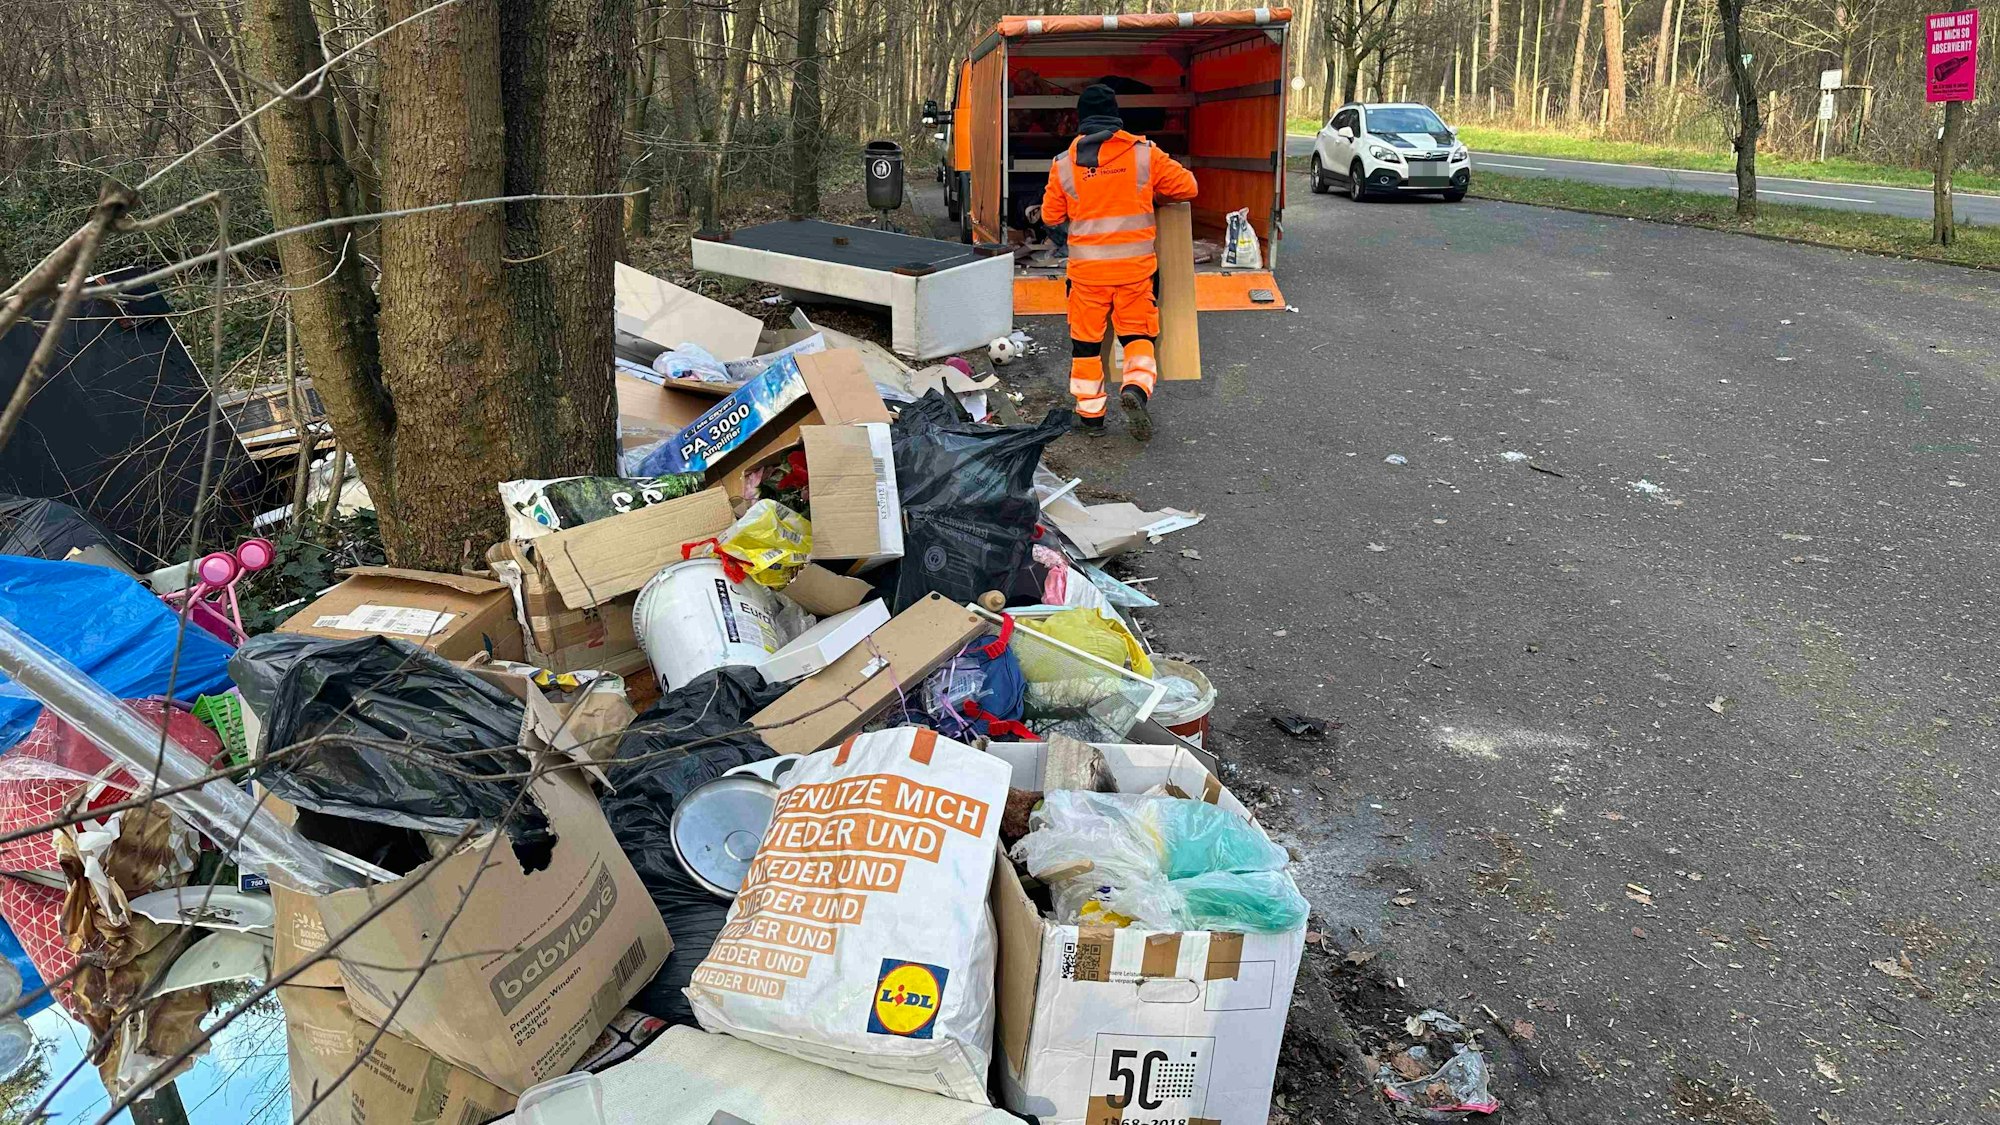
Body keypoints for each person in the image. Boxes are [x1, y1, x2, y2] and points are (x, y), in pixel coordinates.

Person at [1031, 83, 1197, 441]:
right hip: (1135, 272)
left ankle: (1091, 417)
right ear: (1116, 116)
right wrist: (1149, 193)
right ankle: (1136, 389)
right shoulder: (1144, 154)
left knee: (1086, 346)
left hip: (1087, 275)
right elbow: (1188, 187)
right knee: (1138, 336)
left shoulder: (1063, 164)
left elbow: (1050, 215)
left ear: (1080, 120)